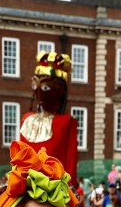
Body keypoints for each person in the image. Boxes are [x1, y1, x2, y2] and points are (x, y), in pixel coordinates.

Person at [20, 52, 78, 183]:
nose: (40, 91)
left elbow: (70, 160)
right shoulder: (26, 119)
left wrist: (70, 188)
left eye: (45, 87)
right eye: (36, 85)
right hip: (26, 186)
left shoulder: (67, 121)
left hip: (53, 187)